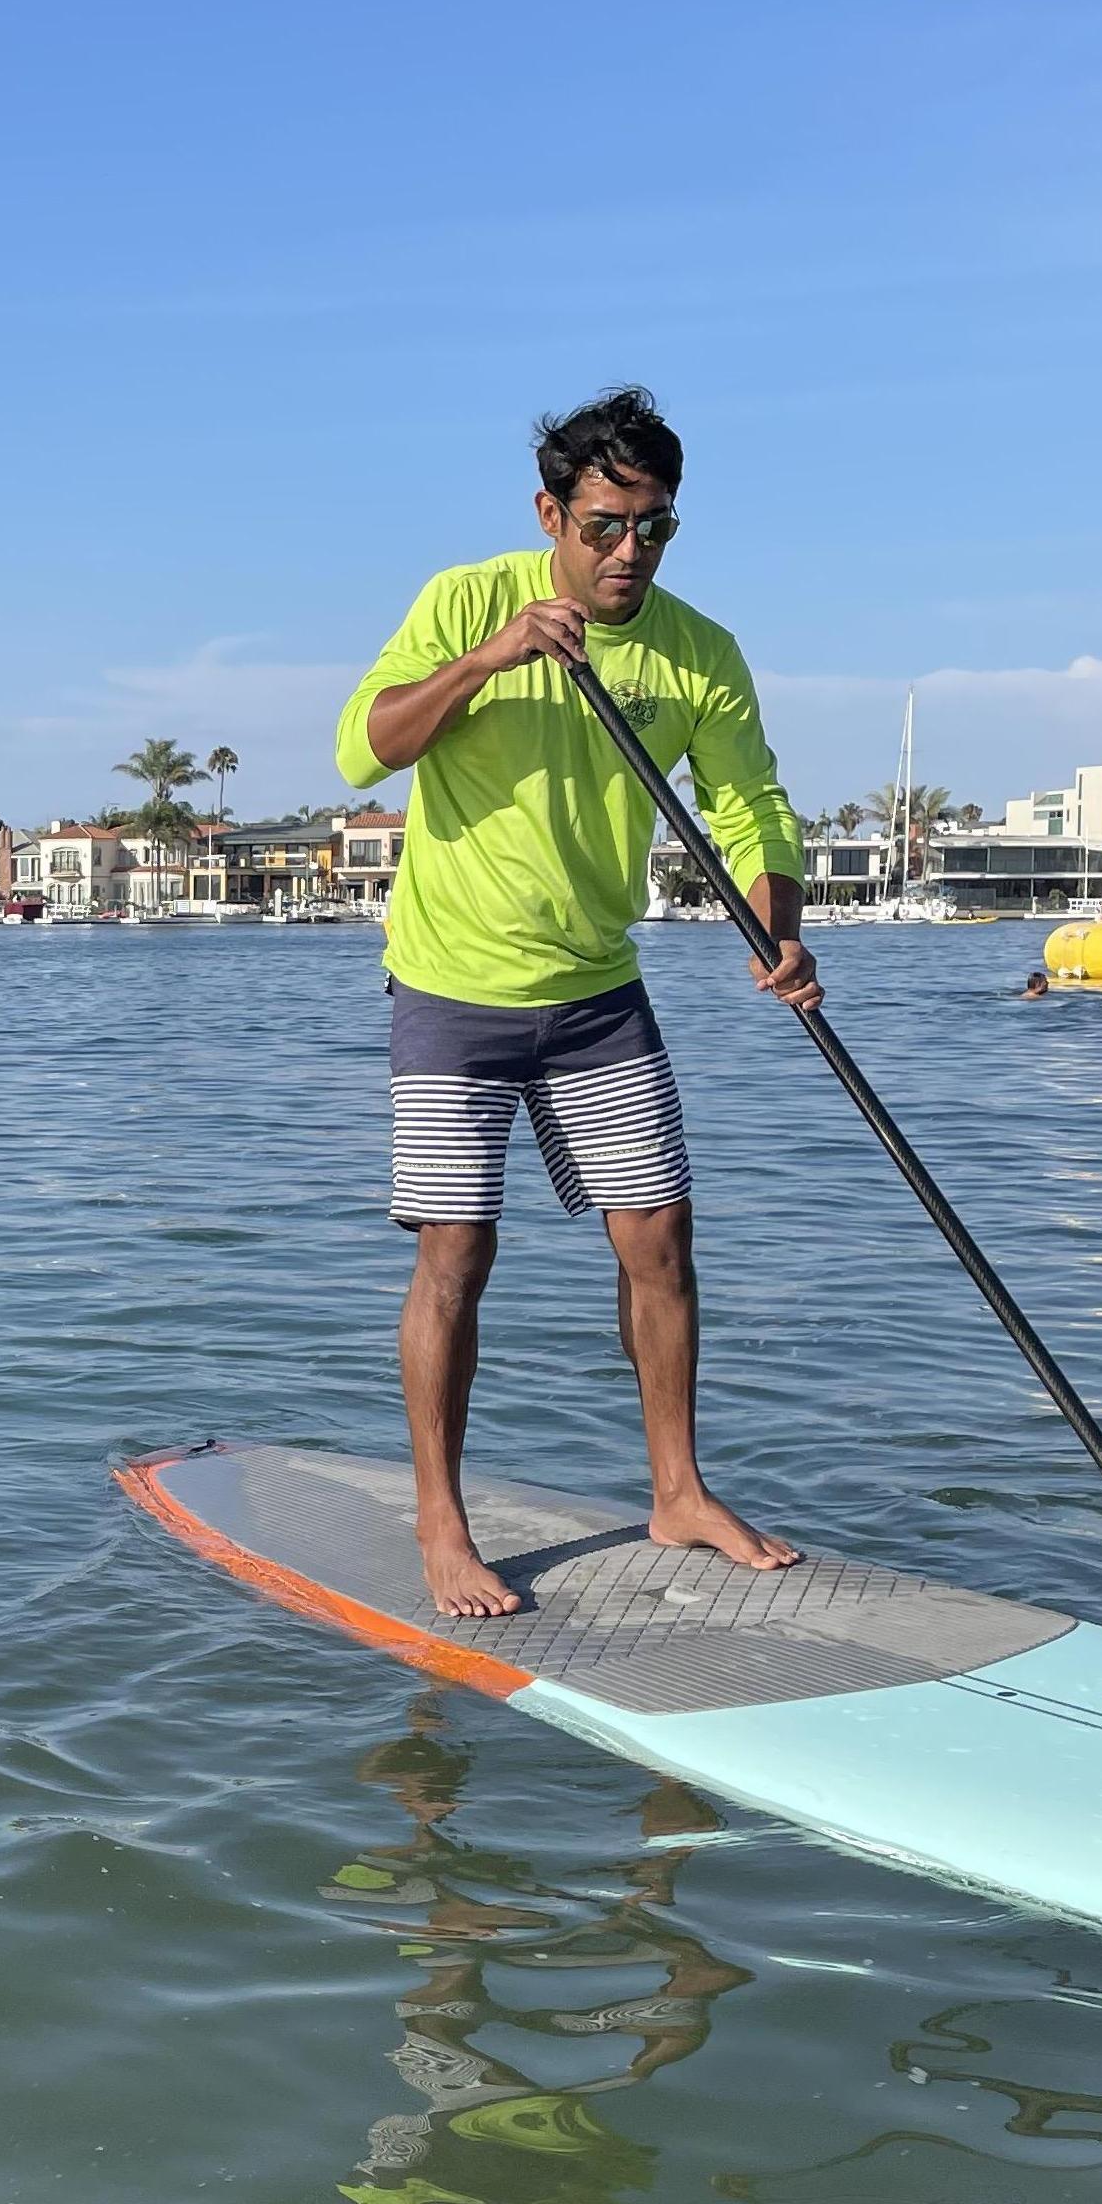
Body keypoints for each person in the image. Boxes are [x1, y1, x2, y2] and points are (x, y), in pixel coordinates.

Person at [336, 388, 816, 1619]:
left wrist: (780, 928)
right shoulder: (461, 600)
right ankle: (441, 1524)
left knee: (659, 1241)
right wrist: (486, 657)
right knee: (457, 1252)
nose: (627, 554)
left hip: (597, 988)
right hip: (452, 979)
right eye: (603, 525)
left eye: (653, 528)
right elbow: (365, 745)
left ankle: (676, 1490)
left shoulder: (695, 651)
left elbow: (749, 806)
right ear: (550, 512)